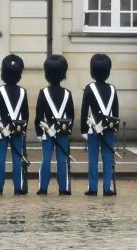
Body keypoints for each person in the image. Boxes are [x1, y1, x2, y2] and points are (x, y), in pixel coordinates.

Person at [81, 53, 120, 196]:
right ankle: (107, 188)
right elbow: (115, 111)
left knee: (93, 159)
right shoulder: (112, 89)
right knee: (108, 158)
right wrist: (114, 128)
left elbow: (85, 110)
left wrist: (84, 129)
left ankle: (92, 188)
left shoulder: (89, 88)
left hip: (93, 129)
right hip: (109, 129)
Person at [34, 54, 74, 196]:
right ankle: (63, 188)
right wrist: (67, 130)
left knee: (46, 159)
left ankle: (43, 187)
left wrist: (39, 133)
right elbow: (71, 116)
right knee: (62, 160)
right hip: (62, 133)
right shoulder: (67, 94)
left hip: (47, 132)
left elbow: (38, 116)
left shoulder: (43, 93)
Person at [0, 54, 30, 195]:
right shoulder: (22, 91)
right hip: (18, 129)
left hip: (3, 129)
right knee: (17, 160)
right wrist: (23, 128)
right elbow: (25, 113)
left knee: (0, 160)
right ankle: (18, 187)